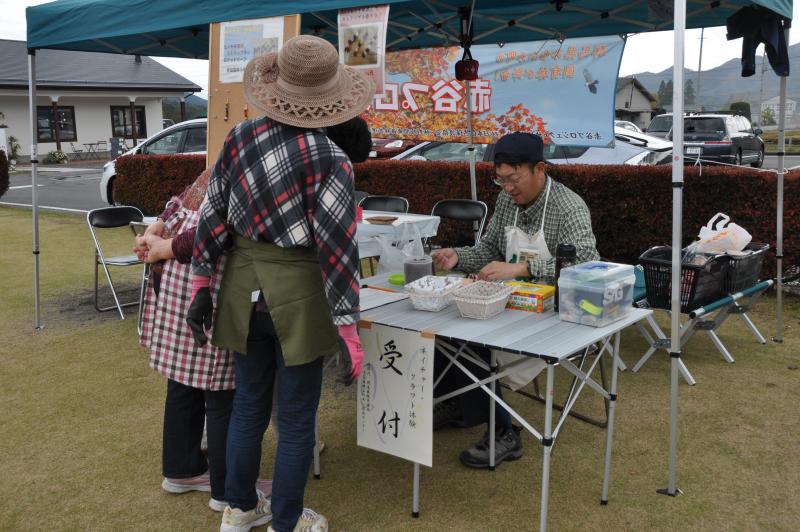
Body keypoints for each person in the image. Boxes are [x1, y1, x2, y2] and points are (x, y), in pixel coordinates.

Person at [187, 35, 372, 532]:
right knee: (295, 419)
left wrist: (200, 282)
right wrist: (348, 328)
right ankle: (286, 522)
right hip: (298, 295)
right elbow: (338, 250)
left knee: (247, 406)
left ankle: (239, 509)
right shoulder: (331, 158)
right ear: (328, 96)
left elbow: (212, 215)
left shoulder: (240, 138)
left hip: (241, 290)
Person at [431, 131, 600, 469]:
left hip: (552, 310)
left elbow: (585, 263)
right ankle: (460, 407)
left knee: (475, 339)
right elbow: (488, 250)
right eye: (500, 180)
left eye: (513, 178)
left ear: (540, 168)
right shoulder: (508, 202)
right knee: (447, 321)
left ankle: (503, 433)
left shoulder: (569, 207)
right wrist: (458, 258)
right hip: (507, 301)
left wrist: (523, 267)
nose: (507, 188)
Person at [135, 169, 271, 513]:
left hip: (179, 280)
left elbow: (181, 201)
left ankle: (182, 469)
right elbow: (215, 230)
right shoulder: (249, 168)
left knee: (183, 382)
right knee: (221, 386)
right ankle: (226, 487)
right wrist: (162, 239)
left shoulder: (220, 161)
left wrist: (158, 228)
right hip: (208, 281)